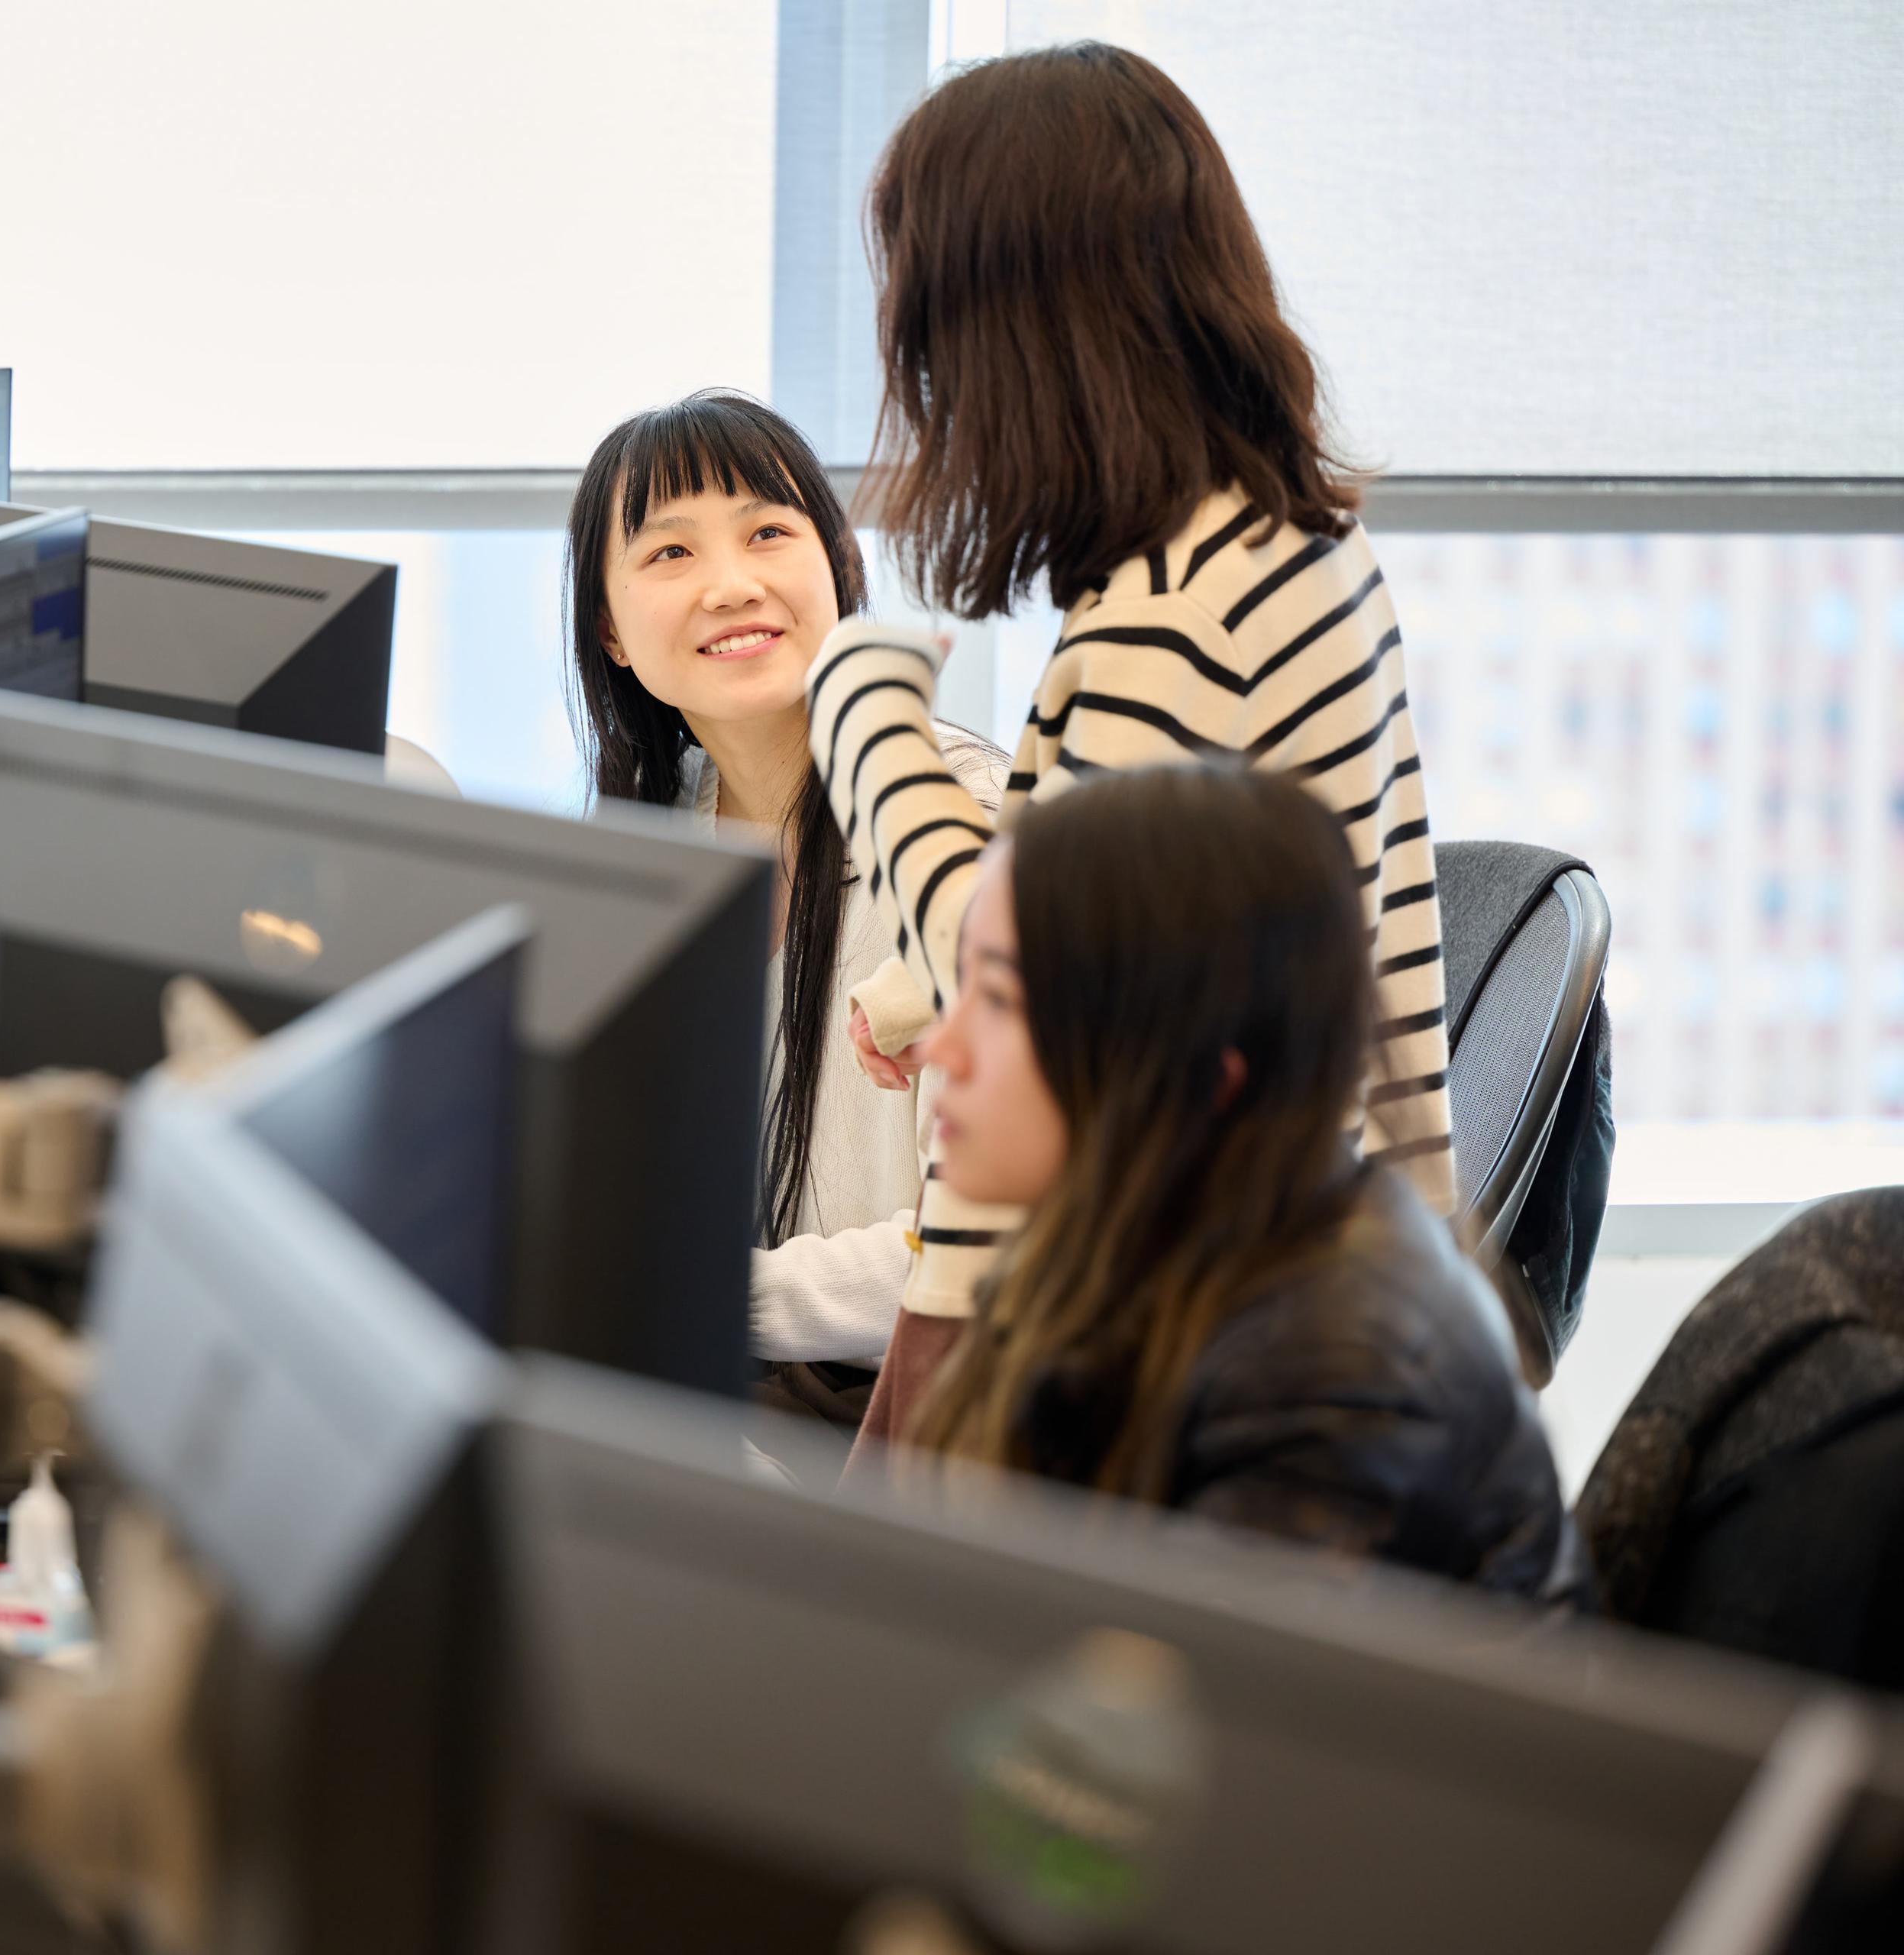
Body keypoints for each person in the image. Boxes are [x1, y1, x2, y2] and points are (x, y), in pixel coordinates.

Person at [803, 43, 1458, 1456]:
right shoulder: (1288, 546)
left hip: (1092, 1306)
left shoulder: (1179, 614)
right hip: (1248, 1265)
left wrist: (858, 708)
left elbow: (1040, 970)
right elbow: (1160, 917)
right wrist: (934, 981)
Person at [901, 765, 1576, 1595]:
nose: (942, 1046)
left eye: (998, 997)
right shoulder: (1115, 1245)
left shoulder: (1338, 1387)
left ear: (1195, 1078)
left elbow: (1153, 1709)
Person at [563, 391, 1006, 1429]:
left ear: (841, 572)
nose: (731, 584)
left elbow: (985, 1241)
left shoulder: (956, 832)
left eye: (769, 532)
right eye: (668, 555)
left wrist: (693, 1302)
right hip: (733, 1406)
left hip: (925, 1426)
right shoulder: (646, 849)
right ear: (612, 633)